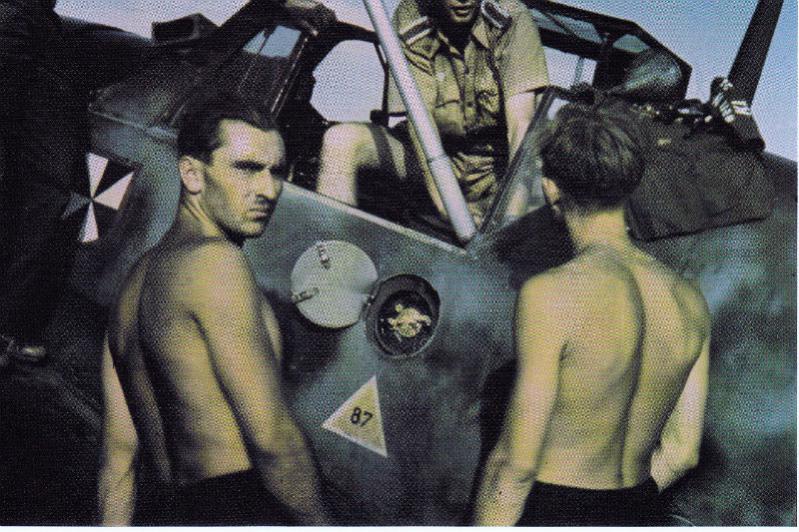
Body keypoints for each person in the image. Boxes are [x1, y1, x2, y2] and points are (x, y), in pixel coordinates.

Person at [472, 103, 711, 526]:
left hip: (553, 511)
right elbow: (682, 452)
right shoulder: (689, 301)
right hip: (636, 510)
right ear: (628, 185)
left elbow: (515, 466)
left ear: (551, 188)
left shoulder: (551, 294)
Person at [97, 93, 329, 526]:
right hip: (236, 507)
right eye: (247, 168)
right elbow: (273, 442)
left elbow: (119, 460)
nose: (269, 190)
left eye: (277, 171)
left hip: (173, 513)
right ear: (192, 174)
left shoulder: (135, 284)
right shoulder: (217, 262)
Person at [316, 0, 548, 224]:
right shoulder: (412, 17)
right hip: (430, 154)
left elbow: (521, 125)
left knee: (545, 203)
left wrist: (509, 216)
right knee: (341, 141)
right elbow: (421, 121)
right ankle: (332, 245)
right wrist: (447, 206)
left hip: (496, 168)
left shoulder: (510, 19)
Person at [0, 0, 88, 362]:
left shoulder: (34, 20)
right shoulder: (23, 20)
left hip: (30, 155)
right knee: (38, 216)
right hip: (32, 160)